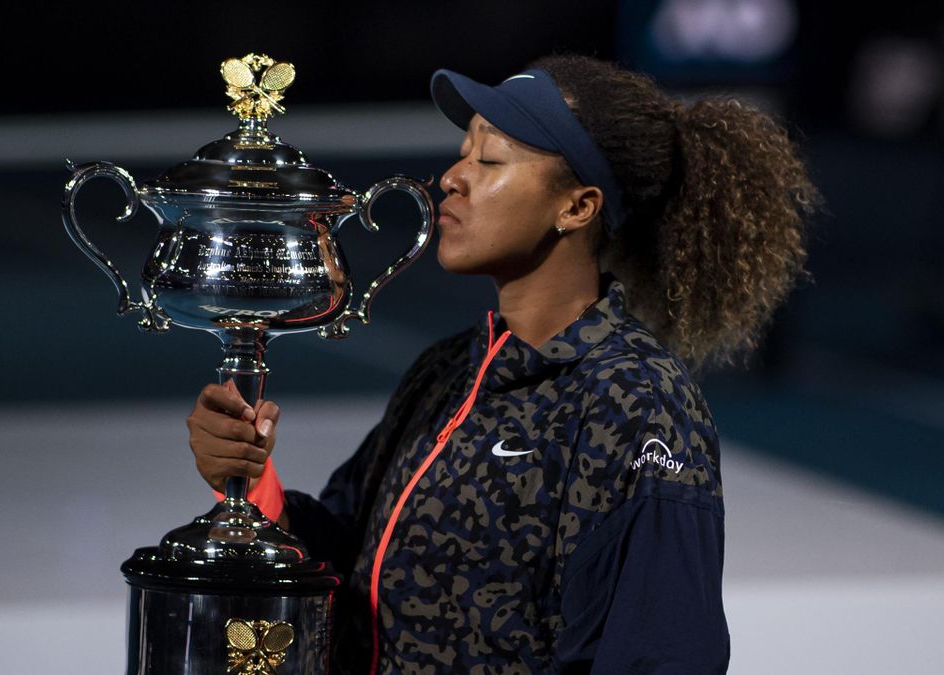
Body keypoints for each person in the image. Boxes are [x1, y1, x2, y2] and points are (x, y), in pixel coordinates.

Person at [187, 54, 823, 674]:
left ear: (577, 207)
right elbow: (344, 560)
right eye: (464, 152)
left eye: (489, 158)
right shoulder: (447, 371)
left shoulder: (635, 402)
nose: (452, 177)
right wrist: (250, 481)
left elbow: (660, 654)